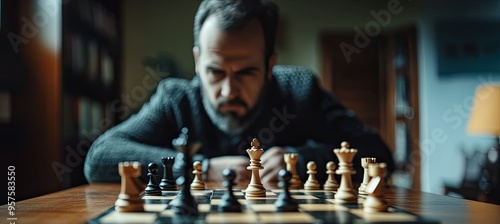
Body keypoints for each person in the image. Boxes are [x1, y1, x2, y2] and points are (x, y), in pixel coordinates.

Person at [84, 0, 394, 185]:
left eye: (246, 72)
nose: (229, 90)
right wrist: (199, 168)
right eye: (215, 72)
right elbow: (98, 159)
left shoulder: (299, 91)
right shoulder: (175, 99)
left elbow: (378, 154)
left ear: (270, 64)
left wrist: (299, 160)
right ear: (197, 61)